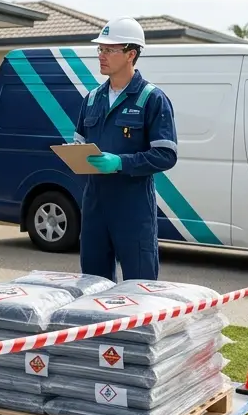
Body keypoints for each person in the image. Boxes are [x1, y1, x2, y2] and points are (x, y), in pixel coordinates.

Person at [72, 17, 177, 282]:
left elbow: (166, 154)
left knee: (139, 287)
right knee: (92, 286)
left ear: (131, 54)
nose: (101, 56)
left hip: (133, 209)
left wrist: (120, 163)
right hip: (95, 206)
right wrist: (75, 154)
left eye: (109, 50)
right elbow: (79, 143)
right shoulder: (92, 99)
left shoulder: (152, 98)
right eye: (100, 49)